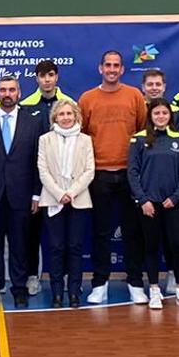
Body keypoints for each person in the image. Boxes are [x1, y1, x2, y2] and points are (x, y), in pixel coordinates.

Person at [79, 51, 147, 304]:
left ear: (122, 70)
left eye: (116, 65)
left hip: (130, 175)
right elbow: (82, 136)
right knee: (100, 232)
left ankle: (135, 282)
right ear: (100, 69)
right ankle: (99, 283)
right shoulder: (87, 99)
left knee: (133, 231)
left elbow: (142, 131)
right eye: (107, 65)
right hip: (98, 174)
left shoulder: (135, 96)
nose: (111, 69)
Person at [0, 76, 41, 308]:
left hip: (21, 194)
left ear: (19, 92)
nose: (7, 94)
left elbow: (37, 161)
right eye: (3, 90)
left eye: (12, 89)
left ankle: (19, 289)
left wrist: (36, 194)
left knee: (20, 245)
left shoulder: (33, 122)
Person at [128, 98, 179, 309]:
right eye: (157, 113)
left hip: (172, 204)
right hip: (149, 205)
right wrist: (142, 199)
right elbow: (133, 172)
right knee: (151, 247)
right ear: (150, 116)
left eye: (165, 113)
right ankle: (154, 290)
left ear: (170, 115)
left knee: (178, 246)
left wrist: (176, 197)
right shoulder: (138, 140)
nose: (161, 117)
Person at [36, 98, 94, 308]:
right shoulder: (45, 139)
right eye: (62, 114)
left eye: (69, 114)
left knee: (75, 247)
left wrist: (71, 193)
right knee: (56, 248)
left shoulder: (85, 140)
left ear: (76, 116)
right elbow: (43, 170)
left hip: (79, 200)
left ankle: (74, 293)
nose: (66, 118)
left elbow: (89, 171)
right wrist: (60, 194)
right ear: (55, 117)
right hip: (53, 199)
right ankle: (57, 293)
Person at [20, 59, 70, 296]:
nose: (47, 79)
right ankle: (32, 276)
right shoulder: (26, 105)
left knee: (64, 234)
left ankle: (66, 277)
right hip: (35, 179)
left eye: (51, 75)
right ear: (36, 79)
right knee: (32, 231)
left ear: (56, 76)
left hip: (64, 181)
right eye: (42, 76)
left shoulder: (69, 104)